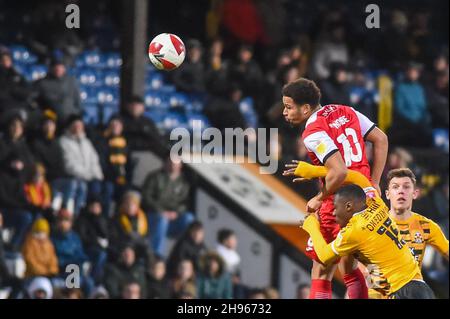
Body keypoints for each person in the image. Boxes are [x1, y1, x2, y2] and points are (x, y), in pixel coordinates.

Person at [282, 77, 388, 299]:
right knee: (352, 263)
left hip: (339, 200)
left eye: (289, 107)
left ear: (306, 108)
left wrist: (320, 197)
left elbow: (338, 171)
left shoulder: (312, 131)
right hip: (366, 196)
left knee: (323, 267)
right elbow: (381, 139)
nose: (285, 112)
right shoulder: (346, 110)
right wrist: (375, 182)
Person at [292, 161, 435, 299]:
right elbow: (357, 177)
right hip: (418, 285)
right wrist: (315, 171)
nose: (333, 213)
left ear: (348, 206)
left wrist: (311, 225)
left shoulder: (354, 231)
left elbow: (324, 256)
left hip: (402, 291)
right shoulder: (376, 202)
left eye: (335, 208)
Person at [368, 168, 449, 298]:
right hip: (378, 293)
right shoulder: (373, 225)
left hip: (410, 292)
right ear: (387, 194)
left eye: (406, 187)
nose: (401, 191)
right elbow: (357, 262)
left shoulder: (427, 226)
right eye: (395, 187)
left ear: (415, 194)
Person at [143, 158, 194, 257]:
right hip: (154, 216)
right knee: (162, 220)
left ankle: (183, 254)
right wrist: (161, 211)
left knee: (189, 218)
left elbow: (185, 203)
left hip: (173, 219)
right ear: (165, 162)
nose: (172, 165)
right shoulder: (154, 177)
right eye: (170, 162)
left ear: (180, 165)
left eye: (175, 163)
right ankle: (156, 255)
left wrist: (176, 213)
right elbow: (146, 197)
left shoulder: (184, 182)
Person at [58, 114, 103, 215]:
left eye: (80, 125)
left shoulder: (86, 142)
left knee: (101, 187)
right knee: (81, 186)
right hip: (73, 177)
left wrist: (97, 175)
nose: (78, 128)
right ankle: (76, 215)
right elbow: (69, 165)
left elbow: (94, 161)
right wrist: (87, 175)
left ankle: (95, 217)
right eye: (75, 125)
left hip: (89, 177)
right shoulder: (63, 142)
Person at [92, 115, 129, 216]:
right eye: (113, 124)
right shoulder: (102, 141)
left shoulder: (125, 143)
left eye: (118, 125)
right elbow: (101, 161)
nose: (115, 127)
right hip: (106, 177)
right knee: (108, 189)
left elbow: (128, 164)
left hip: (121, 178)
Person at [34, 56, 81, 126]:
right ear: (51, 68)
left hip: (70, 120)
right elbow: (37, 104)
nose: (58, 69)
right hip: (51, 121)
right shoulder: (42, 83)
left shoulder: (72, 81)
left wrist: (76, 116)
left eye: (60, 66)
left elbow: (78, 102)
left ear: (64, 68)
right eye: (55, 66)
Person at [109, 191, 152, 264]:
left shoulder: (143, 220)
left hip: (137, 249)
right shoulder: (116, 218)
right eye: (127, 203)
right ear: (123, 204)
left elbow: (146, 237)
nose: (130, 206)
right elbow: (113, 237)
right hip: (122, 247)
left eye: (133, 204)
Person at [74, 196, 109, 283]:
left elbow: (105, 234)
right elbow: (82, 237)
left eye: (97, 207)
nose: (95, 209)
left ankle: (93, 281)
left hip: (97, 249)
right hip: (84, 249)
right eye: (93, 206)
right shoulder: (82, 220)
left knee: (103, 256)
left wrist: (98, 220)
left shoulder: (102, 220)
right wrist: (96, 241)